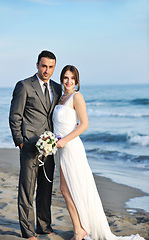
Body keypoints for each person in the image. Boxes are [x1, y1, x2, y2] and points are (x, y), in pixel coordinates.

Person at [52, 65, 145, 240]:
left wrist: (64, 140)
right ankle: (79, 228)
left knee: (70, 189)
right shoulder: (61, 98)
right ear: (61, 78)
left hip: (71, 148)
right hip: (61, 150)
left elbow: (85, 124)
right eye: (66, 77)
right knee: (66, 189)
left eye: (72, 78)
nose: (69, 81)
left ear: (77, 81)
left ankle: (80, 230)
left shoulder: (76, 97)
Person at [9, 50, 62, 239]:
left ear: (54, 68)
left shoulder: (57, 87)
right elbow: (15, 116)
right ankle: (28, 231)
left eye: (50, 67)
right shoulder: (24, 86)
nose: (46, 70)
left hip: (49, 148)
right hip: (30, 146)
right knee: (27, 190)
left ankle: (44, 226)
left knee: (46, 189)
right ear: (37, 65)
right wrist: (21, 142)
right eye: (44, 66)